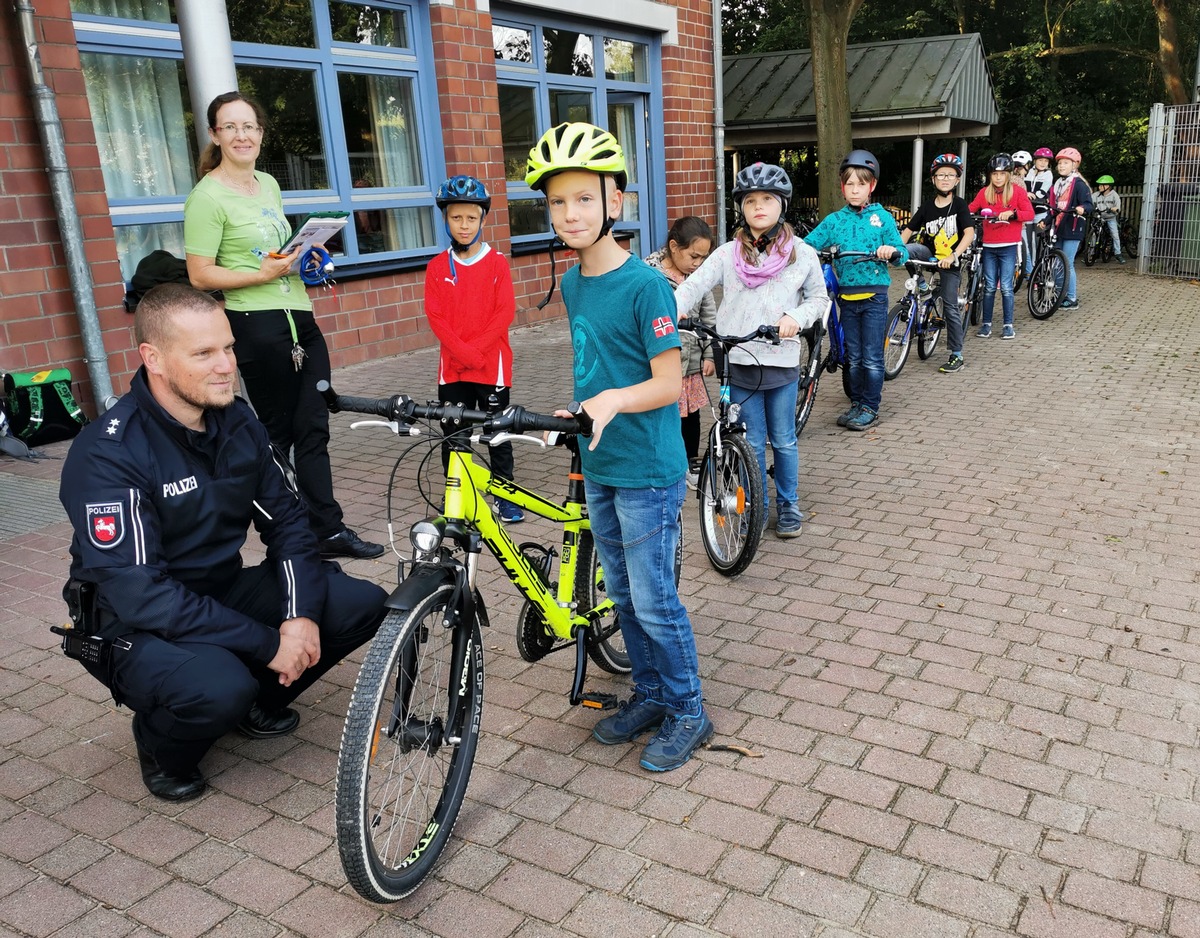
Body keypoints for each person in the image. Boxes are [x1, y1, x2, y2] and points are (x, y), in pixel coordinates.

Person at [57, 284, 387, 802]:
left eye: (228, 348)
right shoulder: (109, 453)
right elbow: (142, 595)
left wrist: (298, 618)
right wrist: (268, 643)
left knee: (357, 603)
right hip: (134, 623)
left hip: (216, 590)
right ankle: (160, 743)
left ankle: (257, 700)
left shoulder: (239, 421)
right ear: (154, 358)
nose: (226, 365)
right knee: (217, 688)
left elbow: (290, 525)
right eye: (204, 353)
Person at [524, 121, 709, 772]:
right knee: (624, 597)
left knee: (655, 599)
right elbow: (595, 369)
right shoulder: (574, 284)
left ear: (615, 203)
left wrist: (610, 402)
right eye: (556, 201)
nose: (568, 213)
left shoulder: (646, 286)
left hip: (648, 469)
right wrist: (577, 410)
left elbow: (666, 382)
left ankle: (689, 709)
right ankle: (651, 694)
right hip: (598, 463)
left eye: (582, 198)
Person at [184, 91, 382, 560]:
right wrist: (261, 275)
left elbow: (275, 255)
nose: (241, 135)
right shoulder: (207, 196)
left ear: (261, 133)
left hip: (300, 317)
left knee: (313, 425)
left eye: (249, 126)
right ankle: (288, 536)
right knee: (278, 434)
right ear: (215, 135)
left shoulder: (268, 184)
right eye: (230, 127)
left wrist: (303, 256)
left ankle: (328, 531)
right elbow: (199, 274)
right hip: (254, 323)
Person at [673, 164, 826, 537]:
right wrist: (674, 305)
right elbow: (694, 285)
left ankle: (789, 505)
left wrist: (796, 315)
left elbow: (819, 299)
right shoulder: (727, 254)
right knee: (751, 440)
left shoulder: (802, 254)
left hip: (781, 360)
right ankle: (757, 505)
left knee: (784, 439)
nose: (759, 207)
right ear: (741, 207)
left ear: (782, 205)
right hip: (739, 359)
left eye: (768, 200)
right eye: (750, 200)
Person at [423, 175, 521, 522]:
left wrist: (476, 351)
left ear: (482, 219)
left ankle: (505, 494)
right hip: (453, 369)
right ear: (446, 219)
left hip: (490, 365)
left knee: (498, 434)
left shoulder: (496, 263)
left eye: (471, 218)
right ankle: (457, 496)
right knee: (454, 434)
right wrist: (463, 353)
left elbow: (504, 312)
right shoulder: (437, 267)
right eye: (456, 217)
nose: (463, 225)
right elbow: (435, 317)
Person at [804, 149, 908, 431]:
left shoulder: (882, 218)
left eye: (861, 184)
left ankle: (870, 407)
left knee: (872, 356)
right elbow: (806, 245)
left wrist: (891, 251)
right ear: (842, 186)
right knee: (855, 355)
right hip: (847, 297)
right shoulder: (835, 221)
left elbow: (902, 251)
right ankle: (857, 403)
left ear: (871, 186)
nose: (854, 189)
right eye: (849, 183)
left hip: (874, 296)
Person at [645, 217, 716, 490]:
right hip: (664, 364)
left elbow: (709, 318)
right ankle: (665, 463)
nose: (698, 263)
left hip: (691, 365)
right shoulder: (650, 275)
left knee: (692, 417)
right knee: (665, 416)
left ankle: (690, 461)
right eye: (694, 256)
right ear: (674, 247)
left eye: (703, 257)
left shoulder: (698, 278)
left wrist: (709, 354)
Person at [900, 153, 976, 374]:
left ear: (957, 180)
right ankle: (922, 286)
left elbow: (969, 233)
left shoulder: (960, 205)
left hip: (949, 262)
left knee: (950, 306)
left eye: (950, 175)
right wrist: (896, 248)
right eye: (941, 175)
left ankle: (956, 354)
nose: (945, 179)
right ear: (933, 179)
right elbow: (908, 230)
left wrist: (953, 256)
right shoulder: (927, 206)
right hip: (929, 254)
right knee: (906, 250)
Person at [968, 153, 1034, 340]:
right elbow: (971, 209)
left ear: (1009, 174)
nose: (998, 177)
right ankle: (986, 324)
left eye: (1002, 174)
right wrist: (963, 214)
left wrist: (1012, 213)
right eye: (995, 174)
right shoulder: (984, 193)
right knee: (989, 286)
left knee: (1005, 286)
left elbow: (1029, 213)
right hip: (989, 245)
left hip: (1008, 246)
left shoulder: (1017, 192)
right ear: (990, 175)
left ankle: (1008, 325)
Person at [1047, 147, 1093, 309]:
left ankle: (1072, 298)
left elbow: (1089, 204)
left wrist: (1082, 208)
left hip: (1073, 228)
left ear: (1075, 165)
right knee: (1057, 263)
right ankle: (1060, 295)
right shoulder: (1057, 184)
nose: (1061, 166)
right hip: (1059, 228)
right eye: (1060, 163)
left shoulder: (1079, 184)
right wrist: (1045, 221)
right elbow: (1052, 206)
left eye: (1066, 163)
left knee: (1067, 263)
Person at [1023, 148, 1056, 279]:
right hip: (1027, 211)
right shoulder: (1028, 172)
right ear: (1035, 161)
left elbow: (1043, 191)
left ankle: (1039, 272)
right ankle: (1029, 271)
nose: (1043, 163)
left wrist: (1033, 195)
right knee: (1028, 242)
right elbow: (1021, 188)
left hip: (1040, 212)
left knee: (1038, 242)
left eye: (1046, 161)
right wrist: (1025, 194)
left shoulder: (1048, 175)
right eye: (1040, 160)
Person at [1093, 175, 1126, 264]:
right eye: (1099, 185)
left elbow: (1118, 207)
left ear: (1107, 186)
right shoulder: (1096, 195)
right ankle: (1092, 253)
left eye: (1101, 185)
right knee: (1093, 233)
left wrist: (1114, 209)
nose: (1099, 187)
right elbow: (1089, 201)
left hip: (1110, 218)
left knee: (1115, 235)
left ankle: (1118, 254)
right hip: (1099, 217)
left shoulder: (1114, 195)